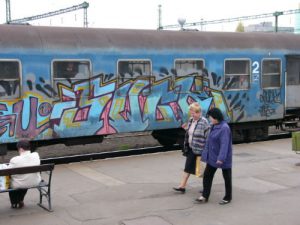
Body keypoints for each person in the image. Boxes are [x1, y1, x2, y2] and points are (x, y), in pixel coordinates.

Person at [195, 108, 233, 205]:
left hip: (223, 157)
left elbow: (224, 144)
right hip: (212, 156)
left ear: (216, 117)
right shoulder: (213, 126)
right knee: (207, 175)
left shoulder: (224, 128)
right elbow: (209, 141)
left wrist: (221, 158)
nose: (210, 119)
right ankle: (205, 195)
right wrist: (205, 154)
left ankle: (228, 197)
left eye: (211, 117)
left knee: (227, 177)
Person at [173, 102, 210, 193]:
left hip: (200, 150)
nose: (192, 114)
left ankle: (206, 187)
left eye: (193, 113)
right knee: (187, 167)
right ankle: (182, 186)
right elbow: (192, 132)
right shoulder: (191, 120)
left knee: (201, 170)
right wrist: (186, 128)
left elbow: (208, 137)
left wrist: (206, 150)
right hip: (191, 148)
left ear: (199, 112)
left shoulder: (204, 122)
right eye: (191, 113)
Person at [8, 140, 41, 209]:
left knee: (13, 181)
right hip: (35, 182)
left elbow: (8, 172)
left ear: (21, 149)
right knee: (26, 178)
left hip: (19, 184)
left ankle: (14, 203)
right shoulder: (36, 155)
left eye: (18, 149)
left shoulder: (14, 160)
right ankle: (20, 200)